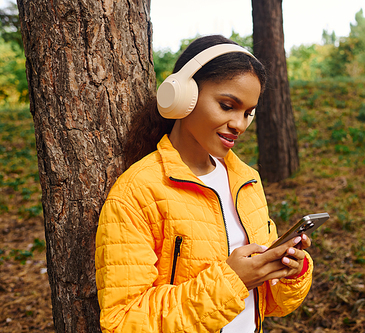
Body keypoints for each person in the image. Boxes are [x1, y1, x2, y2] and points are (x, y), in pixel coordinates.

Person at [95, 35, 313, 333]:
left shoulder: (246, 180)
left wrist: (289, 271)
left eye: (248, 112)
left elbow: (272, 304)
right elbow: (123, 320)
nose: (240, 124)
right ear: (183, 95)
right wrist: (232, 281)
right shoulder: (138, 191)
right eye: (227, 106)